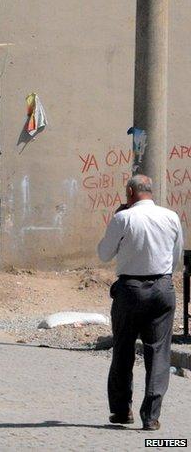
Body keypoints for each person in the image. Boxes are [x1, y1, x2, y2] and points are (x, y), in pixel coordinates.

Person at [97, 174, 182, 431]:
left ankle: (122, 411)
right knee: (158, 352)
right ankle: (151, 416)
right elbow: (176, 257)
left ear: (130, 193)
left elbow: (103, 254)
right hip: (162, 288)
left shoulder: (123, 218)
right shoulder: (171, 217)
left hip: (130, 290)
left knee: (123, 349)